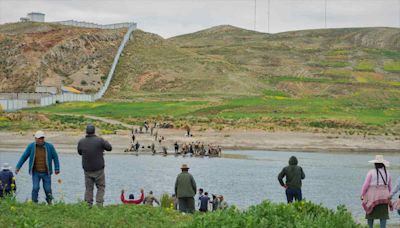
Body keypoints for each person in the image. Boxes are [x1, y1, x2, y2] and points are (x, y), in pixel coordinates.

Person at [16, 131, 60, 204]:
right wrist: (18, 167)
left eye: (42, 138)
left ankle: (49, 202)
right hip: (35, 172)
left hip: (46, 172)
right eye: (39, 138)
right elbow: (24, 157)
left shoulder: (50, 146)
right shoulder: (31, 146)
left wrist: (57, 168)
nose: (41, 140)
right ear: (35, 138)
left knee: (48, 189)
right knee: (35, 188)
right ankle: (34, 202)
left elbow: (55, 157)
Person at [77, 125, 112, 207]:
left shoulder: (81, 142)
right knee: (101, 187)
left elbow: (79, 153)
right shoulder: (100, 140)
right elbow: (109, 148)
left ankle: (88, 205)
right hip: (99, 169)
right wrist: (103, 141)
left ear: (86, 131)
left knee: (89, 188)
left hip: (87, 169)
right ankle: (99, 204)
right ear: (94, 131)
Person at [361, 155, 392, 228]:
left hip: (373, 196)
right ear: (383, 164)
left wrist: (362, 194)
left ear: (375, 164)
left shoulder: (371, 172)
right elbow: (390, 187)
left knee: (370, 214)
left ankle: (370, 227)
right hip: (385, 197)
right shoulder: (388, 173)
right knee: (383, 216)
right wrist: (390, 196)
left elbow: (365, 185)